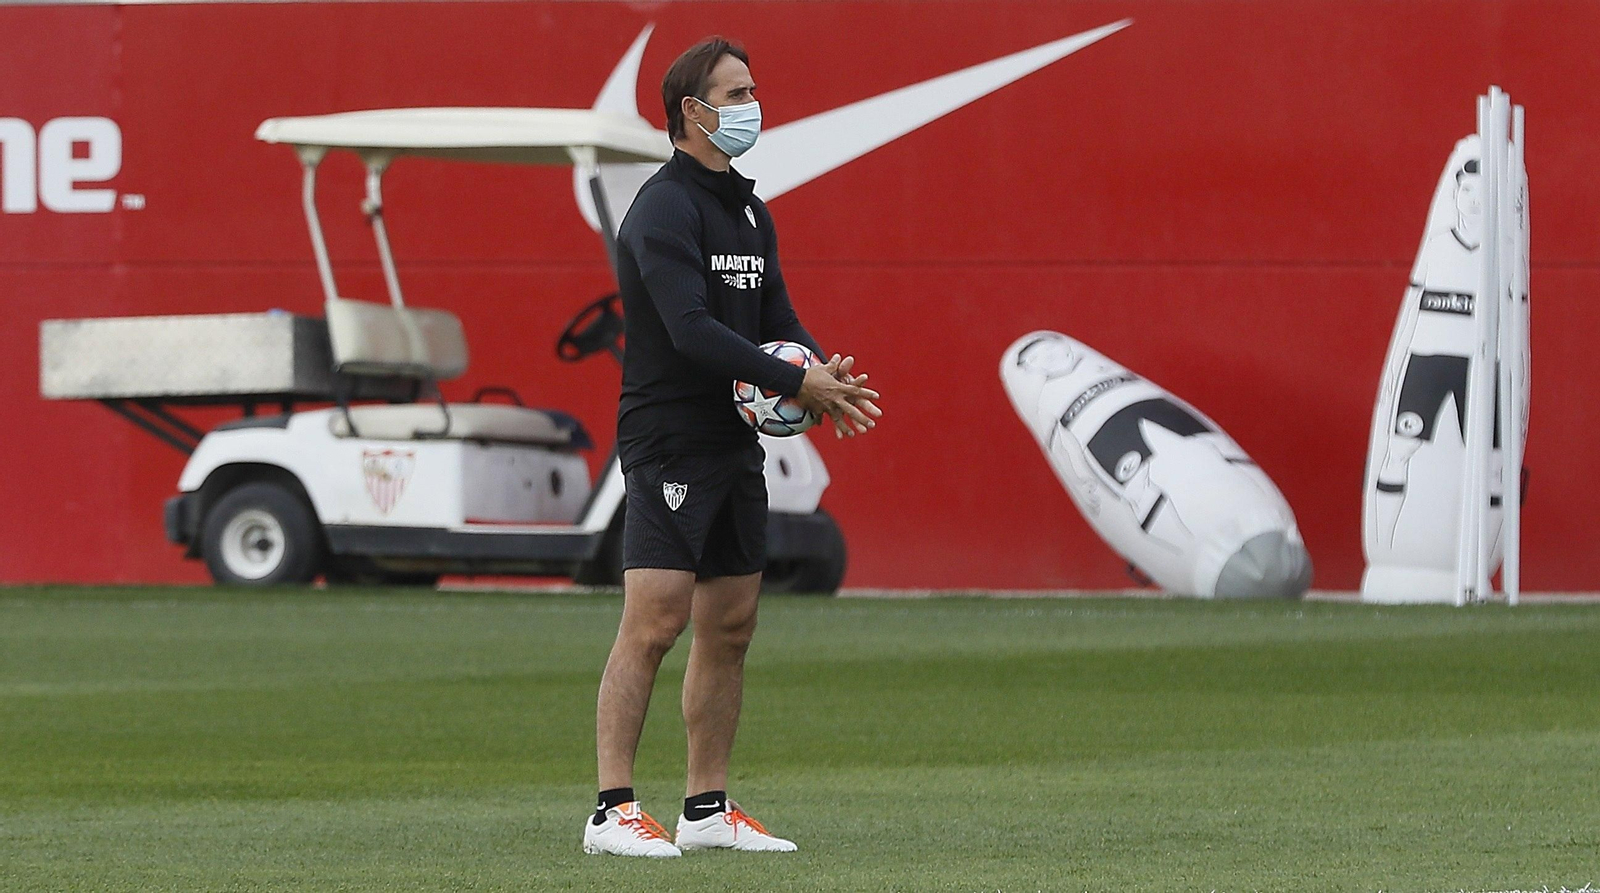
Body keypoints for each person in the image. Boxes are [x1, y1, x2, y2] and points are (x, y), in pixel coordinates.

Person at [582, 35, 882, 858]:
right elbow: (690, 330)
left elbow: (775, 317)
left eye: (752, 91)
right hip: (668, 439)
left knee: (732, 623)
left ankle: (706, 807)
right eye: (736, 93)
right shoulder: (663, 208)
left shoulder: (751, 210)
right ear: (693, 110)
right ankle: (611, 810)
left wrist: (821, 375)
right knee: (654, 621)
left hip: (733, 441)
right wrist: (794, 382)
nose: (753, 106)